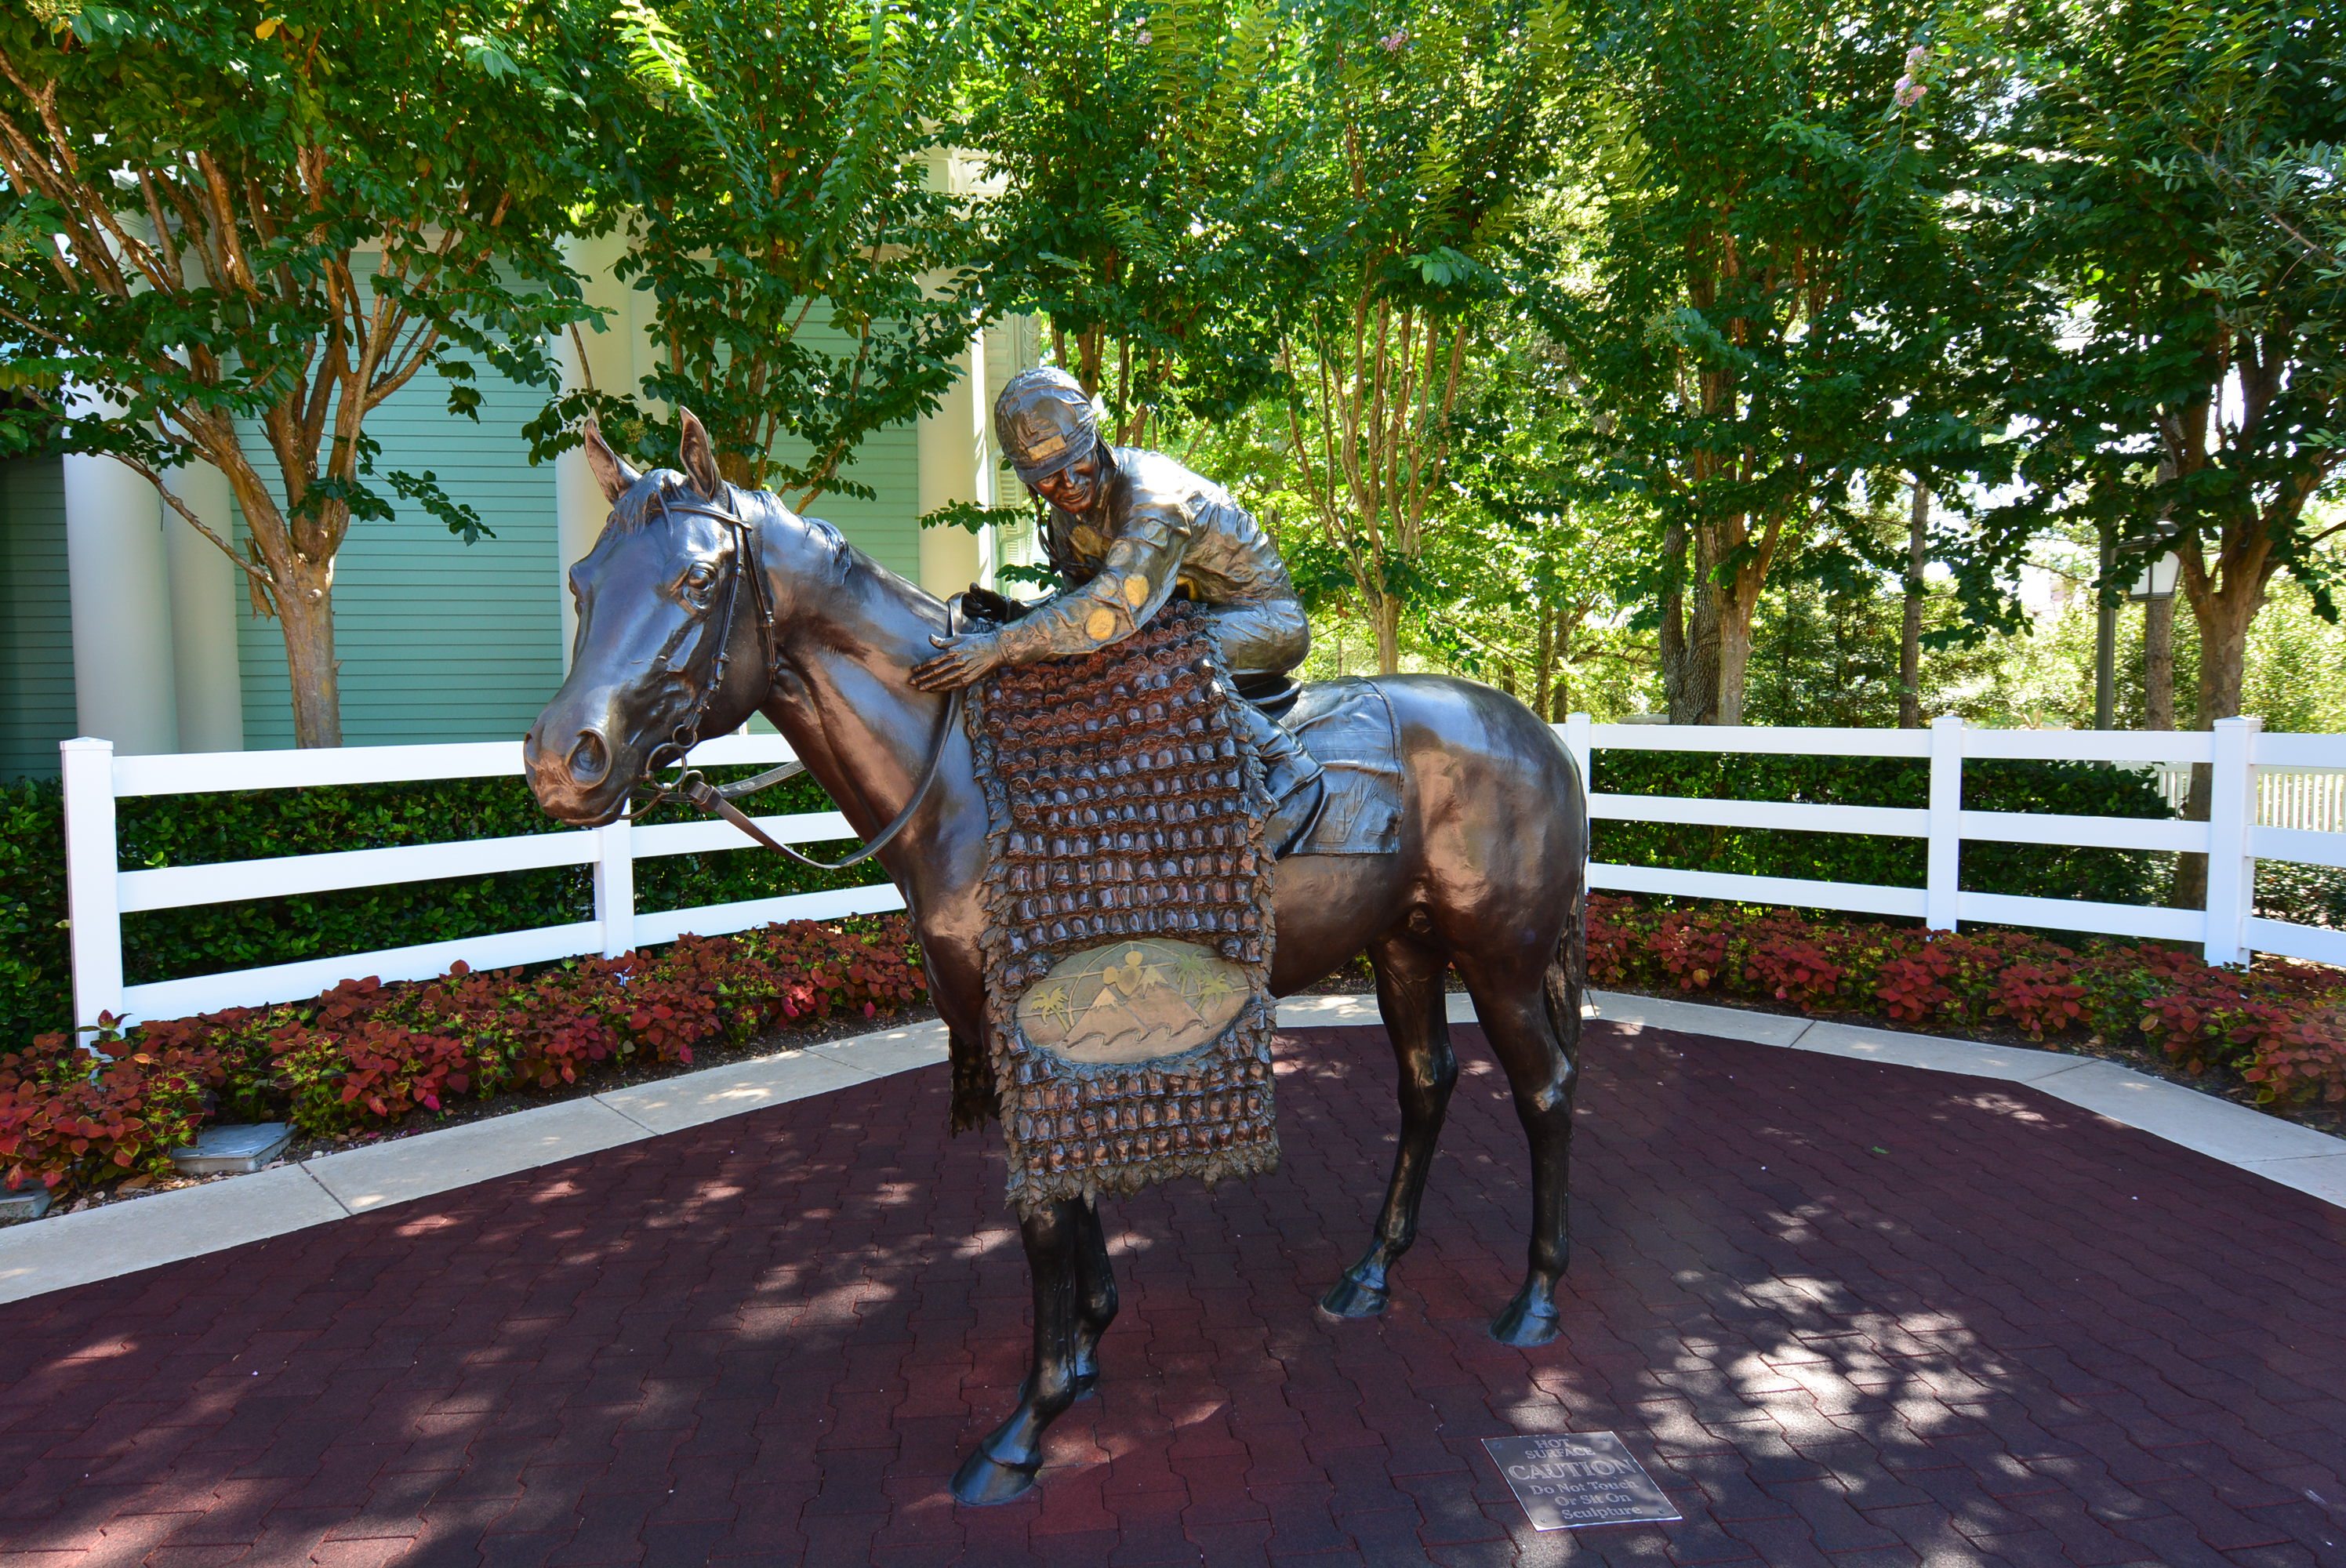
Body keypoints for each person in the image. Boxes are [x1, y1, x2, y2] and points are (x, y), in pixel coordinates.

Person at [910, 366, 1321, 833]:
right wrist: (1019, 614)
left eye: (1077, 461)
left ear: (1097, 443)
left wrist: (1004, 644)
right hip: (1184, 620)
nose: (1068, 482)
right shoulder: (1069, 516)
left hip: (1264, 619)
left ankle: (1284, 757)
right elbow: (1079, 605)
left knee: (1148, 656)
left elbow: (1112, 608)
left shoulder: (1153, 499)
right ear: (1028, 482)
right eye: (1048, 477)